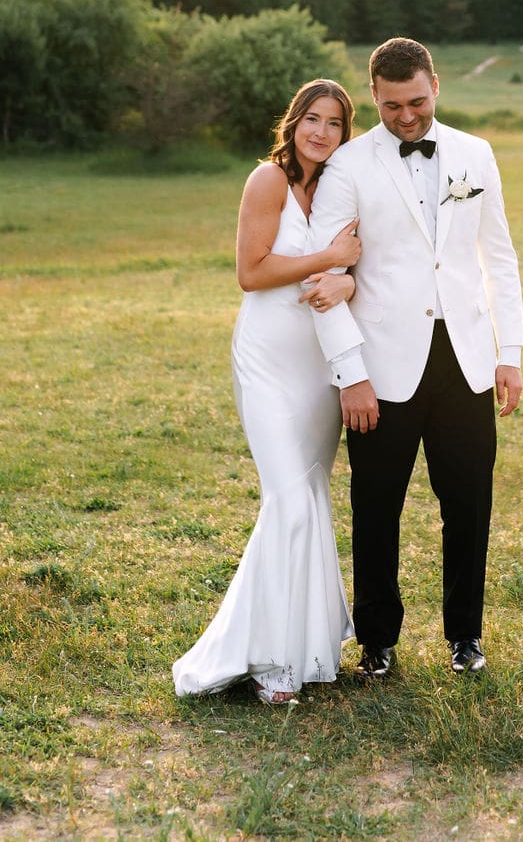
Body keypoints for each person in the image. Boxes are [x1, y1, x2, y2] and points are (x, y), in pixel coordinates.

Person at [305, 37, 523, 681]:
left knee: (469, 505)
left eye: (417, 102)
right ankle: (376, 641)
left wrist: (508, 353)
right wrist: (351, 375)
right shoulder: (347, 165)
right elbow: (325, 278)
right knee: (376, 508)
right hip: (380, 367)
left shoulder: (476, 153)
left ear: (436, 86)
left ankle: (465, 636)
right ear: (374, 96)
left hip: (466, 359)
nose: (406, 117)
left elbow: (499, 257)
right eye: (392, 106)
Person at [173, 78, 365, 705]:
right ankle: (268, 663)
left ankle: (306, 649)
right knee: (289, 500)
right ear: (294, 121)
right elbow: (250, 273)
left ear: (345, 134)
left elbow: (359, 270)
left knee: (308, 499)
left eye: (334, 123)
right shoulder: (268, 180)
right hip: (267, 358)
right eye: (312, 119)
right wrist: (327, 258)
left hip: (318, 364)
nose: (321, 132)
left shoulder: (342, 188)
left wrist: (346, 279)